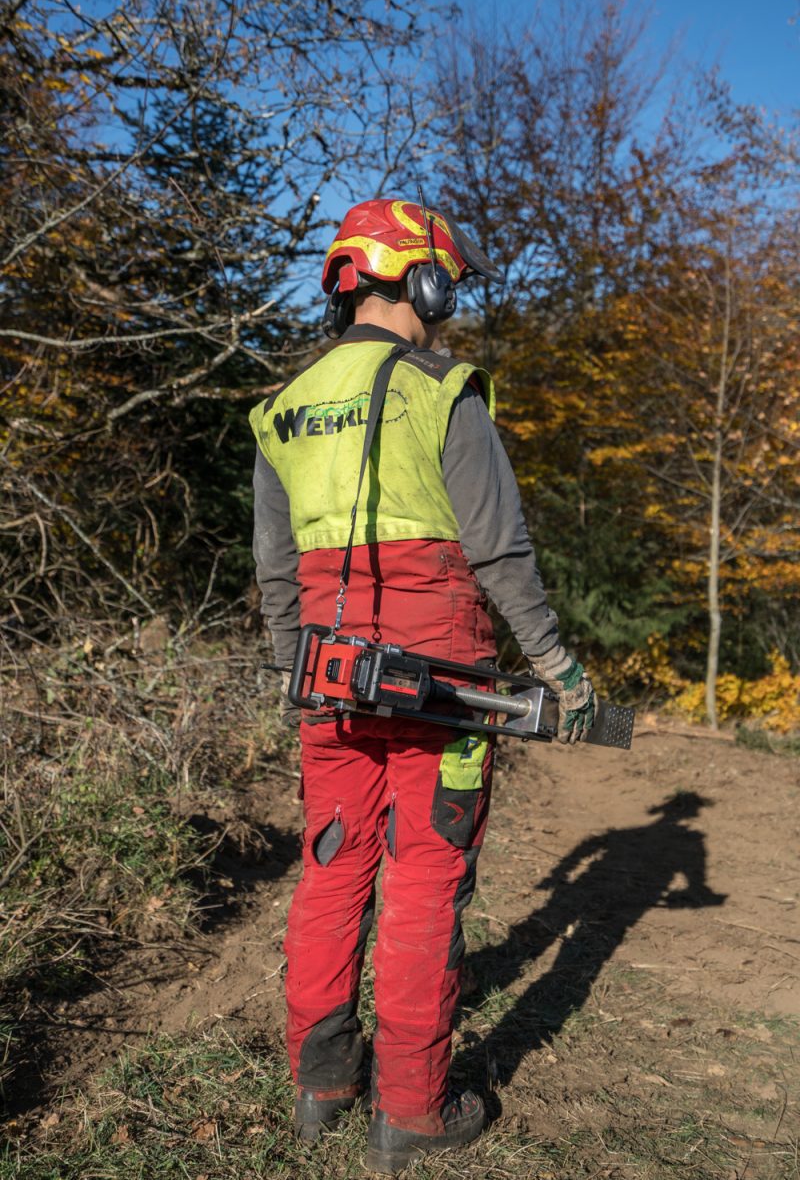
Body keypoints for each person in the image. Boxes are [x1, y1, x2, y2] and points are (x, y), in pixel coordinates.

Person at [248, 197, 596, 1174]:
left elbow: (278, 574)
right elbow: (498, 548)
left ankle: (320, 1081)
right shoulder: (444, 391)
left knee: (329, 866)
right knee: (423, 879)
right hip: (442, 687)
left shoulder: (282, 408)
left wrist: (294, 674)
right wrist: (557, 668)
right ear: (423, 279)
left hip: (325, 681)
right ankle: (411, 1104)